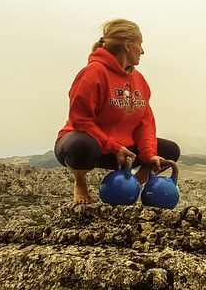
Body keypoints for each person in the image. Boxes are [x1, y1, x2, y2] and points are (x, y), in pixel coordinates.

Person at [54, 18, 180, 204]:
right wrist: (114, 147)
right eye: (141, 44)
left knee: (170, 150)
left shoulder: (139, 80)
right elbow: (80, 121)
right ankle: (80, 182)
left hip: (123, 151)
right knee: (82, 146)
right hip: (91, 146)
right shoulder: (93, 73)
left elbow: (145, 124)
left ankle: (132, 185)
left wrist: (149, 154)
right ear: (128, 46)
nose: (143, 51)